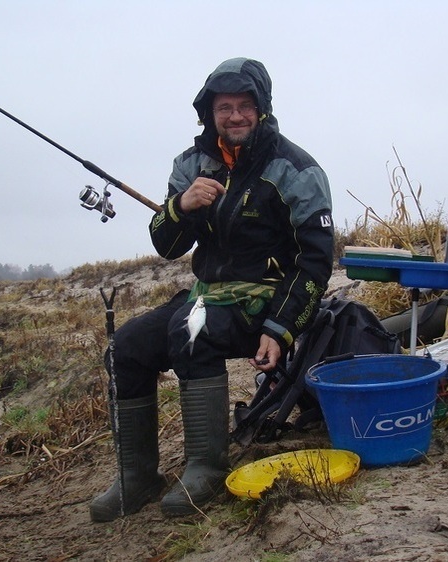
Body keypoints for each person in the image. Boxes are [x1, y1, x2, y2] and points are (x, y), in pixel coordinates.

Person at [89, 57, 334, 522]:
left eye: (245, 106)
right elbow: (166, 245)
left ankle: (206, 468)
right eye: (225, 107)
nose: (235, 116)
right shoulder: (191, 164)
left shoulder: (296, 169)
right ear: (210, 112)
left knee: (190, 331)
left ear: (261, 108)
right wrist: (181, 207)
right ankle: (136, 476)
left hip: (268, 300)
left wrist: (281, 327)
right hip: (206, 294)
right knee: (126, 348)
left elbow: (316, 263)